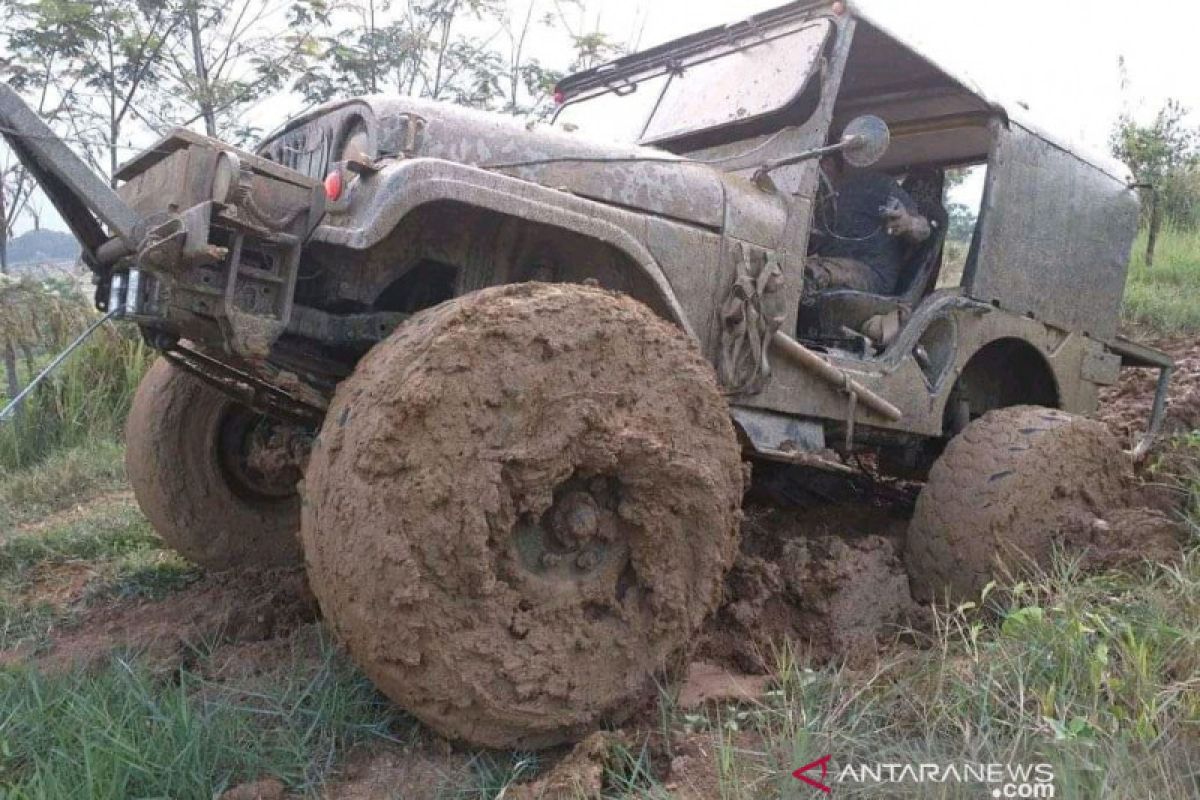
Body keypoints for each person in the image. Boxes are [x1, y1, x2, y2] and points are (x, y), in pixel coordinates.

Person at [805, 160, 932, 296]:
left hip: (872, 273)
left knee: (811, 272)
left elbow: (923, 230)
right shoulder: (811, 202)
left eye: (820, 162)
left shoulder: (877, 185)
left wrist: (908, 223)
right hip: (829, 264)